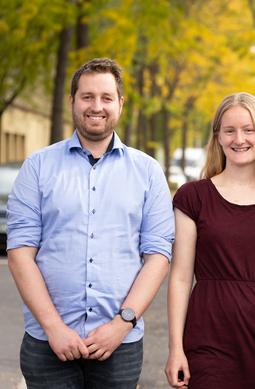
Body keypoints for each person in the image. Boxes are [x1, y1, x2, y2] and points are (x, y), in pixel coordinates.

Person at [6, 57, 175, 388]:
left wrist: (121, 325)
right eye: (87, 97)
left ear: (120, 104)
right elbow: (20, 254)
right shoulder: (37, 167)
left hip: (120, 346)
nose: (97, 106)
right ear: (72, 101)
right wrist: (54, 327)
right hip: (46, 344)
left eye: (106, 98)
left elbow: (157, 256)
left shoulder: (148, 172)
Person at [164, 92, 255, 389]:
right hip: (209, 334)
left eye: (248, 129)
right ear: (218, 137)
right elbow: (180, 278)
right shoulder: (192, 197)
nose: (239, 139)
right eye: (229, 130)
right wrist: (175, 348)